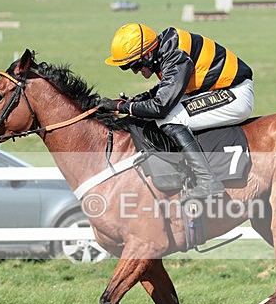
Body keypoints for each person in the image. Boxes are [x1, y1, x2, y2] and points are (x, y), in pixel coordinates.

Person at [99, 23, 254, 201]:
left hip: (235, 93)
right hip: (217, 90)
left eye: (135, 65)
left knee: (169, 118)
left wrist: (121, 107)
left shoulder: (176, 55)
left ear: (148, 54)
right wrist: (134, 101)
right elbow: (167, 88)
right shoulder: (166, 49)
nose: (135, 72)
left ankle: (208, 180)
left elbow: (160, 107)